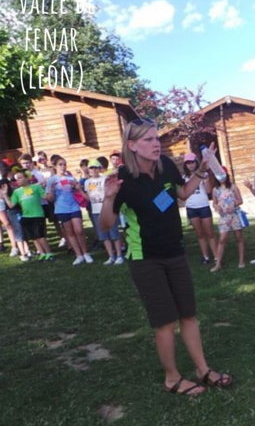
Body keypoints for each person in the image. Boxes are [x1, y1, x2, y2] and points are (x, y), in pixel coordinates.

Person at [99, 117, 232, 396]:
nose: (156, 144)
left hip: (175, 253)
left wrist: (202, 171)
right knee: (164, 322)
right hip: (146, 259)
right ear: (132, 145)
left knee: (189, 315)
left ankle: (202, 370)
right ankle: (172, 378)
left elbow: (181, 194)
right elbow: (106, 225)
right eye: (148, 139)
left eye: (156, 138)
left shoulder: (167, 166)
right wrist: (110, 198)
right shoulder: (123, 178)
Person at [46, 157, 93, 265]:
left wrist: (77, 187)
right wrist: (52, 190)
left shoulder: (71, 178)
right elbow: (50, 199)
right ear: (55, 166)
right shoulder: (51, 180)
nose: (63, 167)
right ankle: (78, 255)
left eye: (64, 164)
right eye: (60, 164)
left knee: (79, 230)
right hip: (61, 209)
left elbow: (78, 190)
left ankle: (85, 253)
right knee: (69, 232)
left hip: (74, 207)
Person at [0, 169, 54, 261]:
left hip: (37, 215)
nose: (18, 180)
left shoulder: (35, 188)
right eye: (17, 179)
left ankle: (48, 253)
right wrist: (5, 195)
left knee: (41, 236)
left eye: (20, 178)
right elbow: (11, 205)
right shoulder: (17, 192)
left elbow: (48, 198)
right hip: (26, 217)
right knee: (34, 237)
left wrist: (50, 188)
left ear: (26, 178)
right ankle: (42, 254)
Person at [84, 159, 124, 265]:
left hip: (108, 208)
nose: (93, 170)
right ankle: (111, 256)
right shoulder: (87, 182)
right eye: (91, 168)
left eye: (96, 167)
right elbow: (88, 198)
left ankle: (119, 255)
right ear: (88, 169)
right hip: (96, 210)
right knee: (103, 235)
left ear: (99, 169)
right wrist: (78, 191)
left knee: (114, 232)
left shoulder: (105, 178)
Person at [183, 152, 217, 264]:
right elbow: (183, 194)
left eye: (192, 162)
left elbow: (208, 191)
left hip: (203, 206)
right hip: (191, 208)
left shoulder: (203, 174)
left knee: (210, 233)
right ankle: (205, 256)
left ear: (196, 162)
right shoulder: (183, 178)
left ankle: (217, 256)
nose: (190, 165)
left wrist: (206, 179)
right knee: (200, 234)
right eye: (188, 163)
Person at [210, 166, 245, 272]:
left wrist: (234, 203)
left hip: (234, 216)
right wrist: (216, 207)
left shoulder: (233, 187)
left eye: (223, 174)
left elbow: (240, 200)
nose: (221, 177)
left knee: (238, 237)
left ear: (226, 174)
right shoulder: (215, 189)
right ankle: (218, 264)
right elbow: (214, 202)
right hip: (223, 217)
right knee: (222, 239)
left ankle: (241, 260)